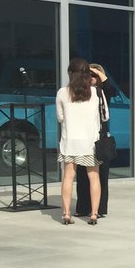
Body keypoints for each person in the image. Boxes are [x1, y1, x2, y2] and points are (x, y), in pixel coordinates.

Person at [55, 57, 101, 225]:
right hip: (90, 142)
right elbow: (101, 116)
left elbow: (60, 118)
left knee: (68, 177)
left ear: (70, 73)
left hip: (70, 142)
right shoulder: (95, 93)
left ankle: (66, 214)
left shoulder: (62, 93)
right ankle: (94, 214)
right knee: (94, 177)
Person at [76, 64, 115, 218]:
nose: (91, 78)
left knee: (101, 175)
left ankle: (98, 208)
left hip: (101, 137)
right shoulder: (82, 92)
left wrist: (99, 73)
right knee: (82, 174)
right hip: (84, 136)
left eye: (94, 76)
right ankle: (83, 207)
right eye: (88, 75)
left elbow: (112, 89)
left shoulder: (103, 92)